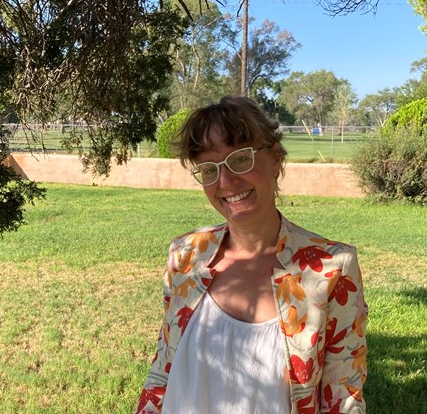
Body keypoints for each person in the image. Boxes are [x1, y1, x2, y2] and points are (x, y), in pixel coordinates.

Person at [135, 96, 368, 414]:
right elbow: (164, 366)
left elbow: (342, 397)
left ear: (275, 159)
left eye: (240, 159)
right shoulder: (185, 256)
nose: (226, 182)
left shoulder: (331, 268)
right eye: (208, 169)